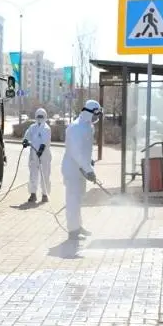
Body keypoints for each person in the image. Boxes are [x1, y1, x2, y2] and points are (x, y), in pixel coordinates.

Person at [61, 99, 102, 241]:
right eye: (95, 115)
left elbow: (85, 150)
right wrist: (88, 169)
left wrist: (89, 162)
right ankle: (73, 231)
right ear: (88, 113)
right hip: (72, 170)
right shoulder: (75, 127)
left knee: (78, 200)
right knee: (72, 200)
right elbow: (76, 152)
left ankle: (78, 226)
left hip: (81, 169)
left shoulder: (89, 126)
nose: (97, 118)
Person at [22, 107, 52, 203]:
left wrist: (41, 149)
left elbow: (45, 140)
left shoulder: (46, 128)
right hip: (34, 155)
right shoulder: (33, 127)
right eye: (38, 116)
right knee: (33, 175)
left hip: (44, 156)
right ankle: (33, 194)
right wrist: (25, 141)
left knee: (45, 175)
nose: (39, 118)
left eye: (41, 116)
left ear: (45, 117)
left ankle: (45, 194)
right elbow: (27, 134)